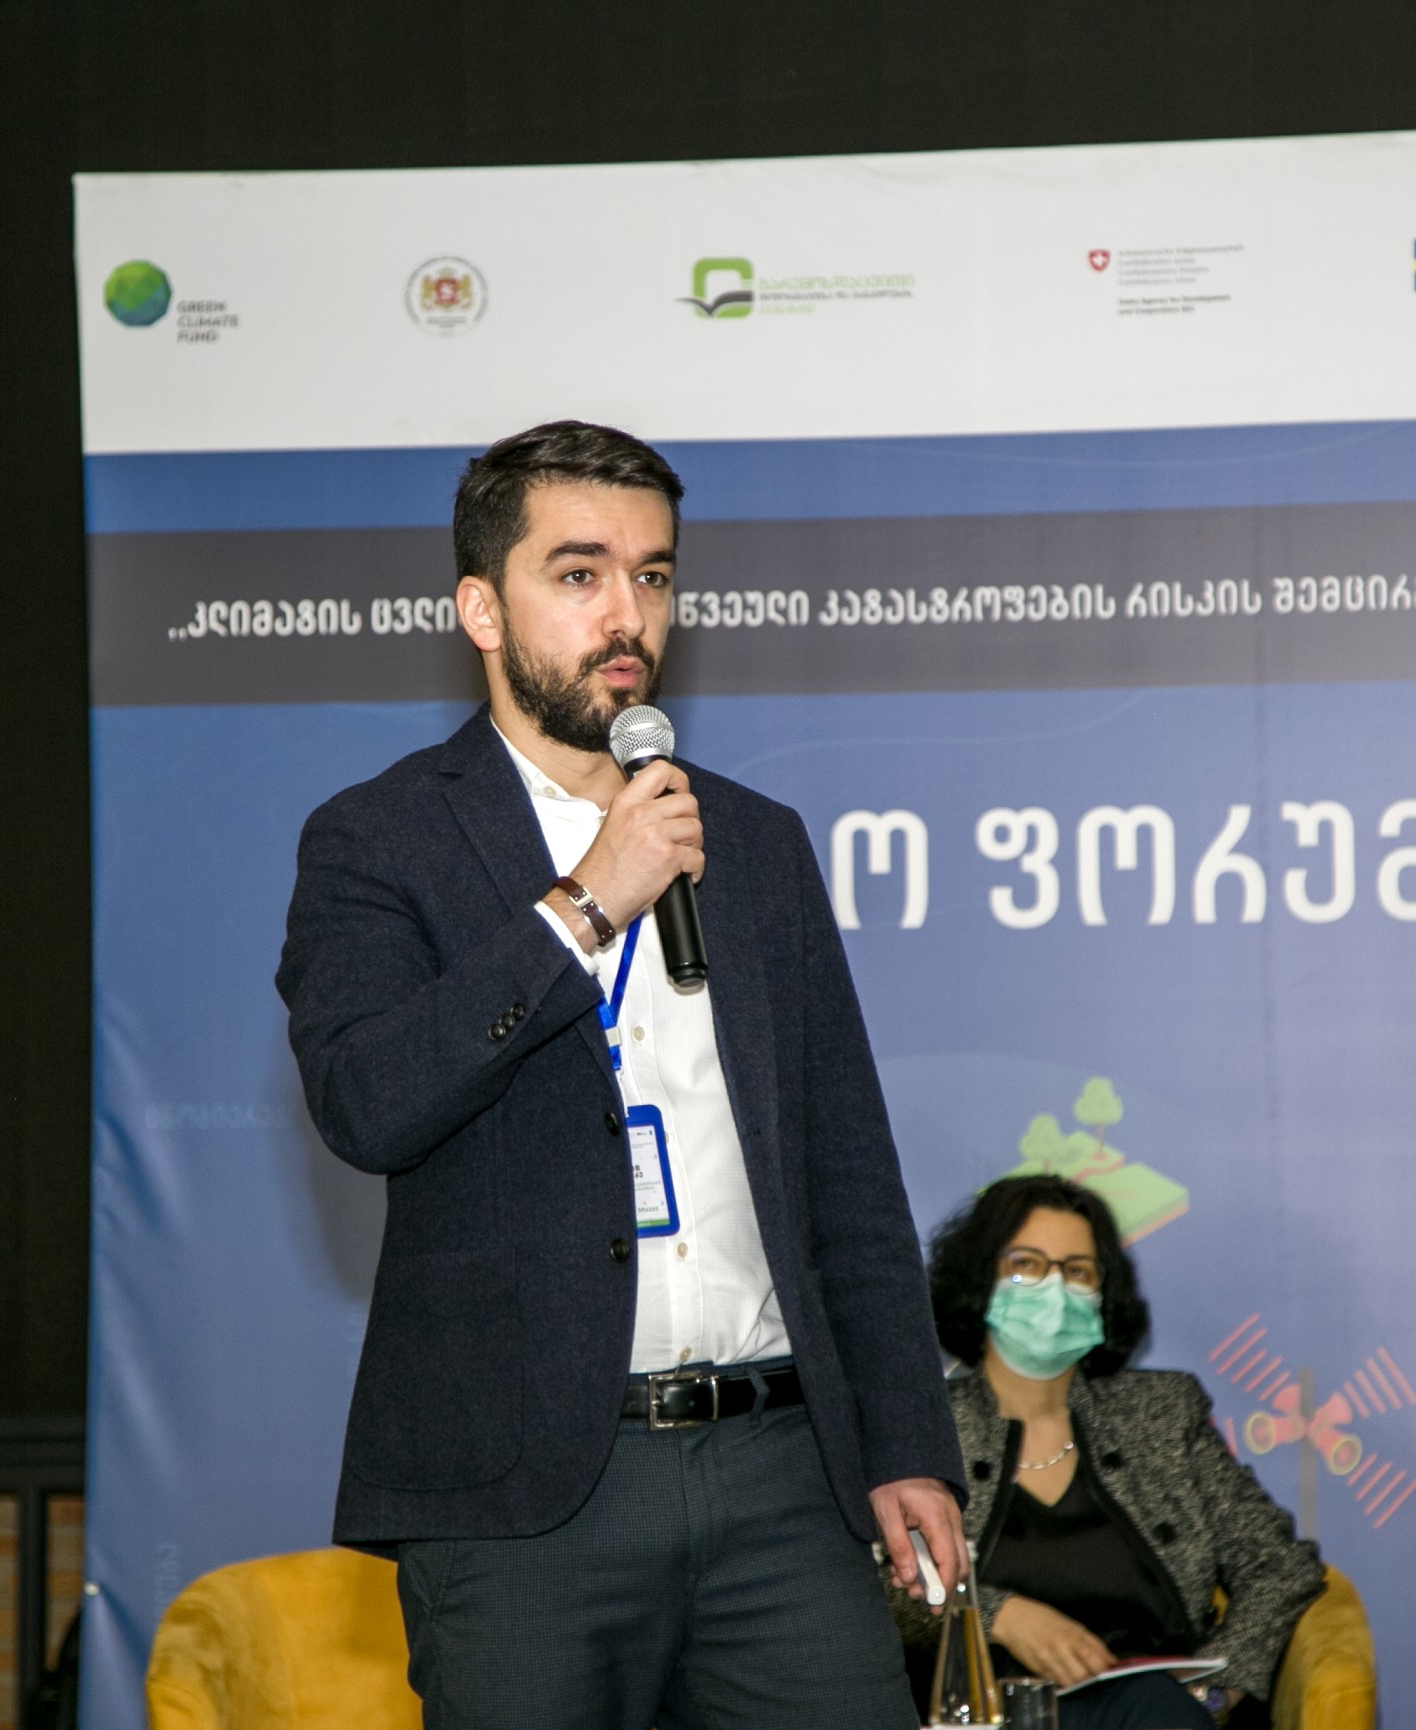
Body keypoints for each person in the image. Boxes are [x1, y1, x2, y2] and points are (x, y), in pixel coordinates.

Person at [275, 420, 967, 1730]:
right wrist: (587, 903)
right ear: (482, 608)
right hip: (528, 1496)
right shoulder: (378, 839)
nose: (626, 614)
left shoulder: (753, 843)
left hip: (781, 1474)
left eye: (652, 575)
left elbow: (847, 1173)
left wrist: (903, 1445)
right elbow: (367, 1100)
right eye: (579, 573)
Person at [887, 1175, 1325, 1729]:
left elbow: (1278, 1564)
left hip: (1155, 1710)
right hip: (990, 1713)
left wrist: (1219, 1688)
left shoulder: (1163, 1412)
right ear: (980, 1280)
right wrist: (1003, 1617)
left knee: (1149, 1704)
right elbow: (879, 1584)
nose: (1053, 1288)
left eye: (1077, 1271)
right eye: (1026, 1265)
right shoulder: (922, 1427)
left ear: (1103, 1295)